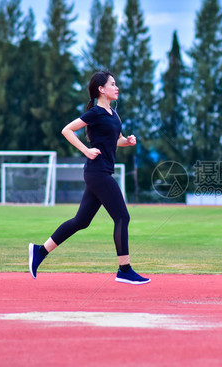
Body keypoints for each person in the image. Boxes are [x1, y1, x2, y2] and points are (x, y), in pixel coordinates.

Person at [28, 71, 150, 285]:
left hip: (101, 172)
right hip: (97, 172)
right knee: (122, 217)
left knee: (81, 221)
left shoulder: (114, 113)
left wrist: (127, 141)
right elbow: (67, 130)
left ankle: (40, 251)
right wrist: (86, 150)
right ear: (101, 89)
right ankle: (124, 269)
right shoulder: (95, 113)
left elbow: (116, 139)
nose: (117, 87)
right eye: (113, 84)